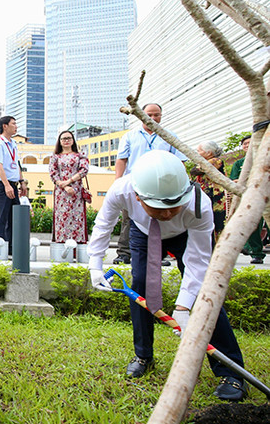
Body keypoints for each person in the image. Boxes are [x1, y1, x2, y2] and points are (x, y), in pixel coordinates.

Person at [88, 150, 247, 401]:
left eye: (173, 207)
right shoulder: (122, 189)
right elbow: (104, 224)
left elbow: (198, 262)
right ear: (138, 197)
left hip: (185, 234)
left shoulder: (198, 205)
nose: (167, 214)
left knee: (206, 294)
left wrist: (183, 308)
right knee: (140, 285)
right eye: (160, 208)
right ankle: (143, 356)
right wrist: (95, 264)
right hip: (143, 232)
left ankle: (231, 373)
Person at [113, 103, 187, 264]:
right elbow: (121, 159)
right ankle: (123, 253)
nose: (153, 118)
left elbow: (180, 161)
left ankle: (157, 255)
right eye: (149, 115)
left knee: (159, 218)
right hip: (134, 184)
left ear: (161, 116)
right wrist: (117, 182)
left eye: (156, 115)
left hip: (162, 186)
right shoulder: (130, 136)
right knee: (128, 218)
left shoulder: (169, 136)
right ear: (140, 115)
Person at [49, 130, 89, 244]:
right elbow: (53, 174)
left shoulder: (80, 155)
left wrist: (69, 181)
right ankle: (62, 245)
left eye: (69, 138)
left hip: (76, 192)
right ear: (59, 141)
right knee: (62, 218)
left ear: (73, 141)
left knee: (77, 218)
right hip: (61, 193)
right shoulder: (55, 157)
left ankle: (78, 245)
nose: (66, 141)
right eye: (63, 139)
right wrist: (65, 186)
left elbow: (84, 170)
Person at [230, 134, 264, 264]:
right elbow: (234, 180)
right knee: (253, 224)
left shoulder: (264, 159)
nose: (247, 145)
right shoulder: (239, 163)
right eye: (245, 144)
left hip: (264, 196)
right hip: (248, 197)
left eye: (250, 143)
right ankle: (256, 253)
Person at [0, 116, 21, 250]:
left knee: (15, 218)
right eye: (13, 124)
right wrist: (7, 185)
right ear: (5, 126)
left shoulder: (13, 143)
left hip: (13, 185)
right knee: (2, 217)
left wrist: (21, 182)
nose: (16, 126)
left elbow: (16, 164)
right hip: (3, 186)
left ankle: (11, 248)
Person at [191, 140, 227, 241]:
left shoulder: (215, 161)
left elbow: (195, 171)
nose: (197, 153)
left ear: (209, 153)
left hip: (216, 196)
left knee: (218, 221)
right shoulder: (203, 162)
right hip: (206, 195)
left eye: (199, 151)